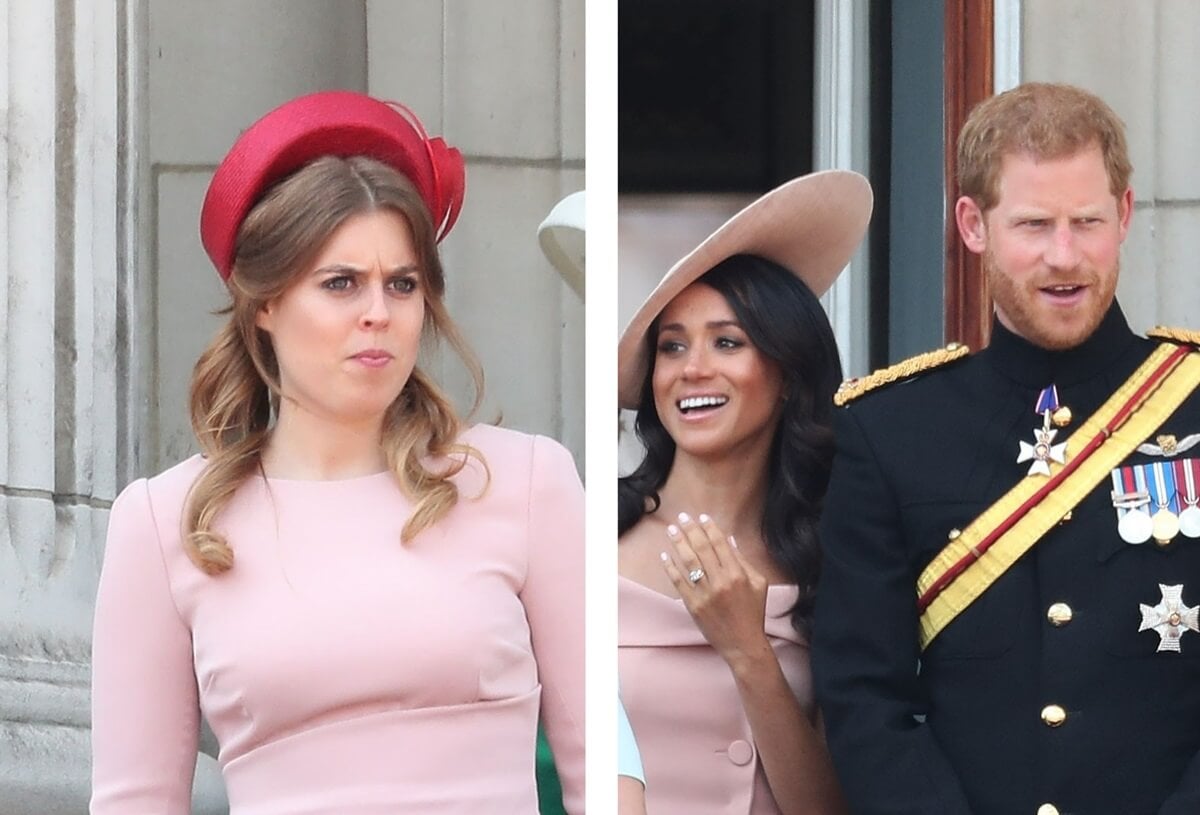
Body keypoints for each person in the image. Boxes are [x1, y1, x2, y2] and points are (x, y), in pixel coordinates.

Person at [89, 90, 584, 814]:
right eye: (341, 283)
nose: (378, 311)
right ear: (264, 302)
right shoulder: (164, 521)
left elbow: (601, 764)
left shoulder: (528, 480)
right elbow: (135, 801)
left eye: (403, 283)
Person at [812, 81, 1200, 815]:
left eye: (1086, 220)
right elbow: (864, 694)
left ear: (1122, 215)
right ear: (973, 224)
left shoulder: (1191, 395)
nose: (1064, 255)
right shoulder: (889, 428)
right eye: (1034, 225)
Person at [618, 170, 872, 815]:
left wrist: (747, 650)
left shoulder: (836, 558)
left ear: (787, 373)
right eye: (672, 347)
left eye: (727, 342)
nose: (692, 369)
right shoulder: (593, 537)